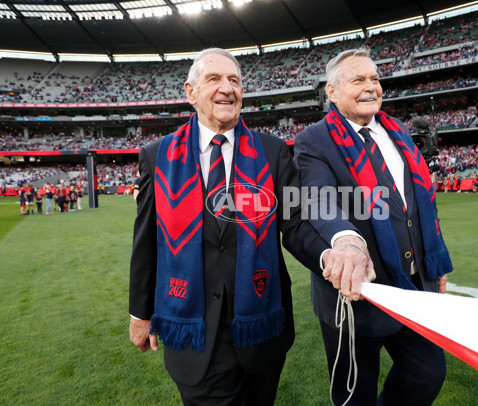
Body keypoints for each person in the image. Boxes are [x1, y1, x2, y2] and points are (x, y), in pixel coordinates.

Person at [128, 48, 359, 406]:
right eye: (214, 79)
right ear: (190, 92)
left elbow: (295, 225)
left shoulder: (272, 152)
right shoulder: (157, 156)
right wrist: (140, 313)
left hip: (261, 324)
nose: (227, 88)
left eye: (234, 80)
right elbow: (145, 241)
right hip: (193, 328)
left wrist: (330, 254)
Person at [294, 48, 453, 406]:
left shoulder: (399, 133)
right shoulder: (313, 140)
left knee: (427, 372)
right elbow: (318, 199)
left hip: (414, 287)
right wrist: (346, 239)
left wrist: (434, 261)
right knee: (354, 392)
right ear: (331, 92)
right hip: (357, 294)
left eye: (375, 79)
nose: (371, 87)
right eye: (358, 79)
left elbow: (420, 205)